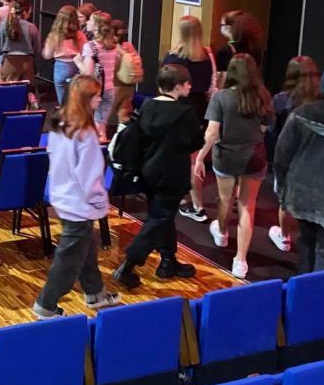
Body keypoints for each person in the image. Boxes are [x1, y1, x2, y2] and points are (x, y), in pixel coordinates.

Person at [34, 75, 121, 318]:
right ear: (85, 99)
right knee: (69, 258)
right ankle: (46, 304)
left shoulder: (60, 123)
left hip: (63, 196)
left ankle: (95, 293)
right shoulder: (85, 132)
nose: (100, 100)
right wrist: (99, 201)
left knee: (86, 248)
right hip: (79, 202)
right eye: (96, 96)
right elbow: (89, 175)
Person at [112, 65, 203, 288]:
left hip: (148, 173)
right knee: (160, 218)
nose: (190, 86)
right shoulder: (185, 114)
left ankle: (168, 262)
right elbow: (196, 142)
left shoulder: (147, 106)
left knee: (162, 216)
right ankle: (129, 263)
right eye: (187, 83)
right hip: (172, 175)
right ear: (178, 86)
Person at [194, 53, 274, 279]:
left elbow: (212, 132)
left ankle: (221, 233)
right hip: (255, 156)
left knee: (225, 199)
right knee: (248, 207)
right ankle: (240, 261)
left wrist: (200, 158)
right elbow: (264, 129)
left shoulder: (221, 97)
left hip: (226, 157)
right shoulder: (263, 95)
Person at [275, 63, 324, 273]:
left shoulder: (301, 113)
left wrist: (282, 187)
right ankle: (318, 292)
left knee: (306, 243)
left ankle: (303, 289)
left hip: (301, 192)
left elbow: (282, 153)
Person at [163, 16, 218, 223]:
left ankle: (189, 202)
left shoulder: (173, 57)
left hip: (177, 110)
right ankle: (196, 204)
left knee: (176, 156)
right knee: (194, 158)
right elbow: (213, 86)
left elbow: (165, 87)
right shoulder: (208, 55)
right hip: (200, 109)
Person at [267, 57, 322, 254]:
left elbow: (272, 128)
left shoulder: (282, 99)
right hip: (317, 158)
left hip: (289, 157)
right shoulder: (323, 100)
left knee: (285, 199)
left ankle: (284, 236)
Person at [80, 13, 118, 140]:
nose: (87, 22)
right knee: (101, 128)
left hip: (94, 92)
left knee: (88, 127)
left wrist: (78, 62)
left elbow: (88, 74)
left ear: (97, 27)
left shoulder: (90, 46)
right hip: (109, 90)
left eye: (90, 20)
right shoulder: (113, 45)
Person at [0, 1, 41, 86]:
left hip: (9, 63)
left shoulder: (5, 25)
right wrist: (35, 68)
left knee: (6, 91)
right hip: (27, 64)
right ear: (25, 12)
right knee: (24, 91)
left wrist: (1, 54)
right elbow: (37, 50)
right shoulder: (32, 27)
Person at [43, 5, 86, 106]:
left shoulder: (54, 35)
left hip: (61, 69)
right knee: (76, 102)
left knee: (63, 103)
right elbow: (85, 52)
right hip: (77, 67)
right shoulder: (80, 35)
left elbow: (47, 55)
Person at [109, 19, 142, 135]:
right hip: (129, 86)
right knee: (124, 113)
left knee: (104, 116)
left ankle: (103, 138)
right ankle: (123, 137)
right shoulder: (129, 46)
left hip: (114, 85)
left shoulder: (109, 47)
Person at [215, 10, 264, 84]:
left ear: (228, 28)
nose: (220, 27)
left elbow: (221, 81)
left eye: (221, 25)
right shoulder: (255, 48)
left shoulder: (225, 51)